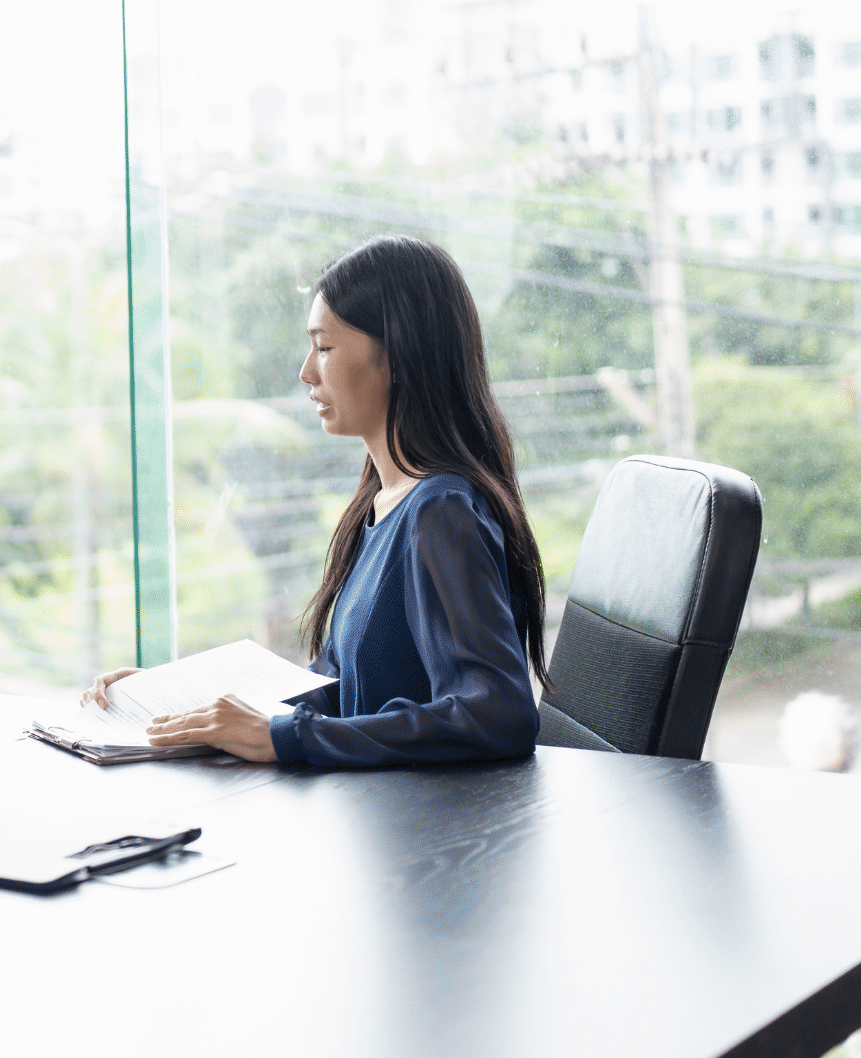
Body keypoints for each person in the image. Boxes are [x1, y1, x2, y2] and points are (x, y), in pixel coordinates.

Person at [87, 234, 545, 767]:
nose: (307, 371)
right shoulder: (382, 503)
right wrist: (182, 700)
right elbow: (345, 687)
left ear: (397, 357)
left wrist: (292, 737)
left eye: (324, 347)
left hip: (424, 834)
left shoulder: (440, 512)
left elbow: (499, 714)